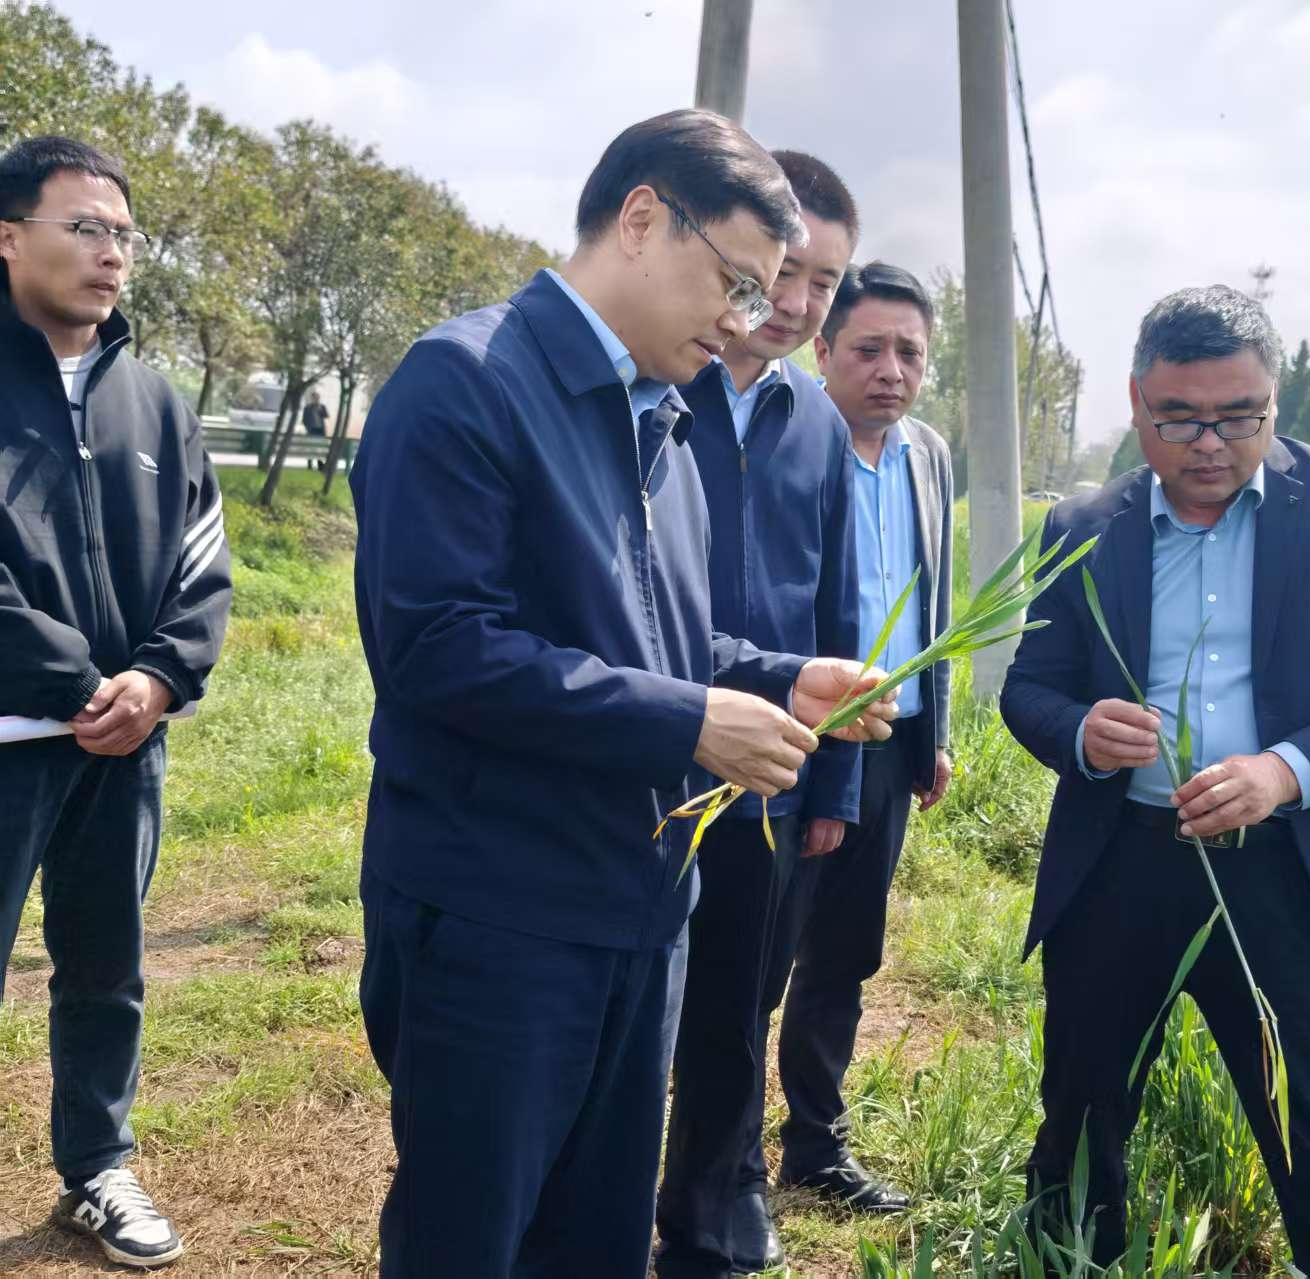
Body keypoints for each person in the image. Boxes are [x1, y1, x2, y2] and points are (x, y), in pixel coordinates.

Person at [349, 109, 896, 1278]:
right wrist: (691, 721)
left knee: (594, 1238)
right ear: (643, 220)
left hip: (639, 912)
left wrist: (774, 675)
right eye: (737, 283)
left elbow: (662, 638)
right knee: (469, 1235)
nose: (750, 320)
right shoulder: (467, 381)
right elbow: (440, 649)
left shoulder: (665, 411)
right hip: (496, 911)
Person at [1000, 285, 1310, 1275]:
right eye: (1179, 419)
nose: (1209, 444)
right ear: (1135, 403)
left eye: (1239, 417)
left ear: (1272, 403)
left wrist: (1283, 773)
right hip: (1122, 859)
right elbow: (1028, 688)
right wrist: (1079, 730)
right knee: (1080, 1109)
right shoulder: (1085, 522)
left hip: (1285, 865)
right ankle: (1070, 1256)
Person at [0, 136, 232, 1269]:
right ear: (7, 235)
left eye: (123, 236)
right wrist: (78, 681)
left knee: (106, 968)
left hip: (121, 748)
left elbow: (203, 565)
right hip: (8, 739)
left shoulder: (157, 405)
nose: (110, 255)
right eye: (82, 228)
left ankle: (96, 1166)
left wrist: (155, 679)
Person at [656, 151, 862, 1279]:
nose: (793, 302)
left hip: (772, 777)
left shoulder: (813, 422)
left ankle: (711, 1215)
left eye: (823, 282)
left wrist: (830, 783)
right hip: (645, 757)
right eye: (782, 270)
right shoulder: (648, 385)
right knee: (631, 1007)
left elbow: (834, 605)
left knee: (738, 1011)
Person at [766, 262, 955, 1214]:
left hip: (892, 740)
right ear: (823, 349)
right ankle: (701, 1150)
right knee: (758, 953)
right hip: (789, 739)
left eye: (909, 351)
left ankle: (815, 1143)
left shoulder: (927, 454)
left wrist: (934, 733)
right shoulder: (788, 446)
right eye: (869, 348)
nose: (890, 369)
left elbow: (937, 599)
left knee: (846, 950)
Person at [301, 389, 329, 470]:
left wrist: (320, 409)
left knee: (320, 448)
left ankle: (320, 465)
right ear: (312, 398)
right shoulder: (308, 408)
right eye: (315, 398)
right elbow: (304, 420)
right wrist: (308, 428)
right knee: (311, 448)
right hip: (311, 429)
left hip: (320, 430)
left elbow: (326, 416)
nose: (316, 399)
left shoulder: (322, 407)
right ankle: (309, 465)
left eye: (317, 398)